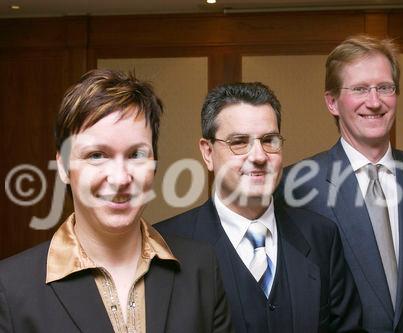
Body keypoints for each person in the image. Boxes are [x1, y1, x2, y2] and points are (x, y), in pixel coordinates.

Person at [0, 69, 233, 333]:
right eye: (97, 155)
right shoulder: (10, 289)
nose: (121, 178)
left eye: (136, 154)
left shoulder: (200, 268)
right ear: (63, 167)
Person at [155, 82, 363, 333]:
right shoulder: (167, 246)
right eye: (239, 142)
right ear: (208, 152)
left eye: (269, 140)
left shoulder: (321, 236)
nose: (259, 156)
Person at [279, 35, 403, 332]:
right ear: (332, 102)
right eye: (359, 89)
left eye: (385, 87)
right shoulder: (297, 186)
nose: (374, 102)